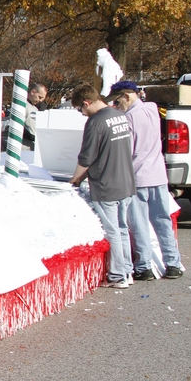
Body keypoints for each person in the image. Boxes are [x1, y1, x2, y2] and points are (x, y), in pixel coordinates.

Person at [106, 80, 183, 279]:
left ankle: (144, 266)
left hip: (138, 177)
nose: (116, 106)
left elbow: (127, 151)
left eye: (117, 101)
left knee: (139, 223)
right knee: (162, 220)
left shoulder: (129, 118)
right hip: (158, 174)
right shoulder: (152, 109)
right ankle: (173, 262)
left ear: (126, 96)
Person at [69, 84, 136, 289]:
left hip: (107, 184)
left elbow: (87, 156)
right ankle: (127, 270)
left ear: (86, 103)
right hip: (125, 180)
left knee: (113, 231)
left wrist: (75, 180)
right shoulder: (119, 115)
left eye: (81, 109)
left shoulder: (95, 122)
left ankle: (117, 276)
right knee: (123, 229)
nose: (82, 113)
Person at [23, 82, 48, 150]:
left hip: (31, 147)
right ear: (33, 92)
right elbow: (19, 127)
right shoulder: (22, 106)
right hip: (23, 148)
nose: (40, 100)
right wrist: (33, 137)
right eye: (39, 97)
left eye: (42, 99)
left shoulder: (35, 108)